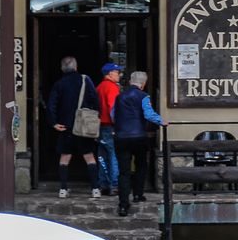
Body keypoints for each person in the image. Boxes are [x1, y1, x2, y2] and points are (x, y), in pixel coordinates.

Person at [112, 71, 167, 217]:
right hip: (138, 137)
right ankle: (138, 194)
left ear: (130, 81)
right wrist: (162, 121)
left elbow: (113, 115)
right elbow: (148, 114)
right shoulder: (144, 97)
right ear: (143, 84)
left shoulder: (119, 96)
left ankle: (123, 205)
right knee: (141, 165)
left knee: (123, 172)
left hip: (121, 137)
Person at [46, 56, 102, 199]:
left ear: (62, 68)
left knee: (65, 157)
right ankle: (95, 188)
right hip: (83, 125)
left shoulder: (59, 84)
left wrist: (53, 122)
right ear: (76, 67)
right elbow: (95, 100)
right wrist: (94, 118)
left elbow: (51, 104)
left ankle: (63, 189)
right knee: (89, 156)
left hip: (65, 126)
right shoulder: (85, 80)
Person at [96, 62, 123, 196]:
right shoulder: (112, 87)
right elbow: (113, 108)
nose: (119, 75)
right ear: (110, 73)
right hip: (110, 126)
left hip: (100, 126)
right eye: (117, 72)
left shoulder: (100, 86)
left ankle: (103, 184)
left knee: (102, 156)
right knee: (113, 155)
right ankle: (114, 184)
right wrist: (117, 124)